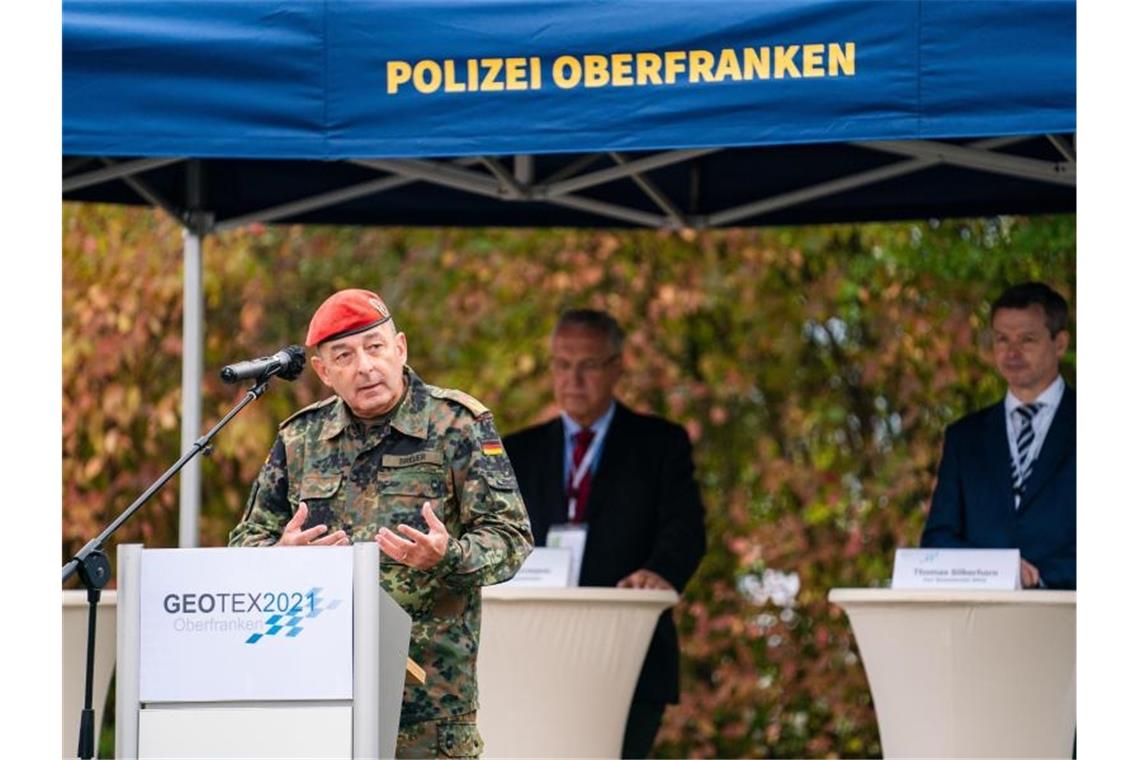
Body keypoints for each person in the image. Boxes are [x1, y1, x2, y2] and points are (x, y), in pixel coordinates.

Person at [229, 288, 534, 759]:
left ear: (401, 348)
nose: (366, 366)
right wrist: (278, 558)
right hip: (317, 693)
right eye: (344, 356)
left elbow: (511, 537)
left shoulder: (457, 425)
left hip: (430, 705)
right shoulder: (300, 438)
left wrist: (447, 556)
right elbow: (245, 543)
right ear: (323, 372)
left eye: (375, 347)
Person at [503, 309, 707, 759]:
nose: (573, 378)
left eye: (589, 365)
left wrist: (659, 573)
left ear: (617, 366)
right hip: (534, 656)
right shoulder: (517, 451)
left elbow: (686, 530)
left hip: (628, 655)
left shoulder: (660, 444)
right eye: (562, 363)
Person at [921, 282, 1075, 589]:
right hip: (980, 626)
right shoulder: (964, 437)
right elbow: (937, 542)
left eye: (1027, 339)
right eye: (1002, 340)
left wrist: (1039, 577)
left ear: (1060, 343)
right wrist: (998, 571)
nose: (1011, 352)